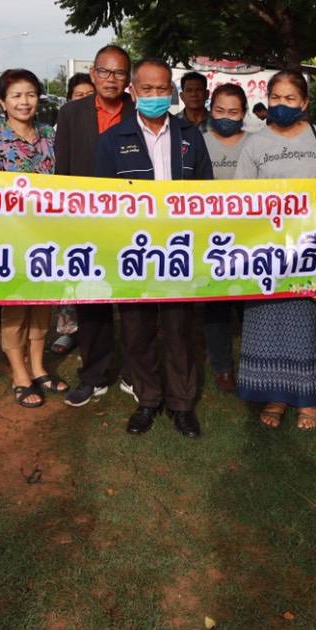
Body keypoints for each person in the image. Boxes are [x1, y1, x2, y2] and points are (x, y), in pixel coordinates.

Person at [95, 58, 214, 436]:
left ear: (172, 92)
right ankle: (148, 399)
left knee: (180, 328)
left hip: (179, 250)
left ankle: (182, 403)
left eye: (162, 89)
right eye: (147, 89)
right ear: (133, 91)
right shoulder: (113, 139)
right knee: (136, 329)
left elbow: (207, 192)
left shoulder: (189, 135)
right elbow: (99, 200)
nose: (155, 96)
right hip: (134, 252)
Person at [236, 69, 316, 430]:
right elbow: (241, 197)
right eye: (276, 98)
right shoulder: (254, 143)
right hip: (268, 248)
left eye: (290, 99)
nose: (282, 105)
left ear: (305, 103)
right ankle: (276, 396)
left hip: (310, 248)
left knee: (309, 320)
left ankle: (309, 399)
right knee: (269, 319)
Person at [0, 68, 67, 408]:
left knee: (43, 304)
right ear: (2, 101)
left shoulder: (48, 133)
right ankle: (19, 373)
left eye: (30, 94)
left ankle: (39, 366)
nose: (24, 101)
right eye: (16, 95)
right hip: (10, 237)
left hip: (48, 235)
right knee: (16, 306)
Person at [56, 44, 135, 406]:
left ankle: (136, 374)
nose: (110, 79)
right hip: (84, 223)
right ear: (93, 74)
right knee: (92, 302)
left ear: (128, 78)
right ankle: (94, 376)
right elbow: (63, 171)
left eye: (119, 73)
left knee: (136, 303)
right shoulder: (71, 114)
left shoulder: (141, 112)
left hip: (134, 224)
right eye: (104, 71)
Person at [202, 83, 250, 392]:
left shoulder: (258, 144)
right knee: (216, 308)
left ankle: (252, 365)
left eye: (233, 112)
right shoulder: (197, 141)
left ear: (244, 113)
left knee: (250, 308)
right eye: (220, 110)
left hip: (251, 239)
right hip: (210, 241)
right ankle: (222, 367)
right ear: (210, 110)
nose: (226, 117)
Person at [50, 72, 97, 357]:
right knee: (73, 272)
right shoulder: (63, 126)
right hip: (74, 209)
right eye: (79, 96)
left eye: (89, 95)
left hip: (103, 210)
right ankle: (69, 330)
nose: (85, 101)